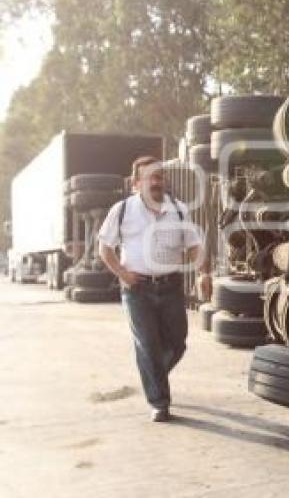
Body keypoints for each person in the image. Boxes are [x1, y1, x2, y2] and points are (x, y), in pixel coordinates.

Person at [98, 156, 212, 422]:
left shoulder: (179, 209)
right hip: (136, 289)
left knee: (178, 342)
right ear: (136, 183)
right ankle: (159, 402)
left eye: (160, 176)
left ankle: (153, 374)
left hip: (171, 286)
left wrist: (204, 272)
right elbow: (104, 248)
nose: (156, 181)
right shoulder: (123, 209)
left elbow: (194, 245)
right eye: (149, 177)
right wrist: (123, 273)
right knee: (148, 345)